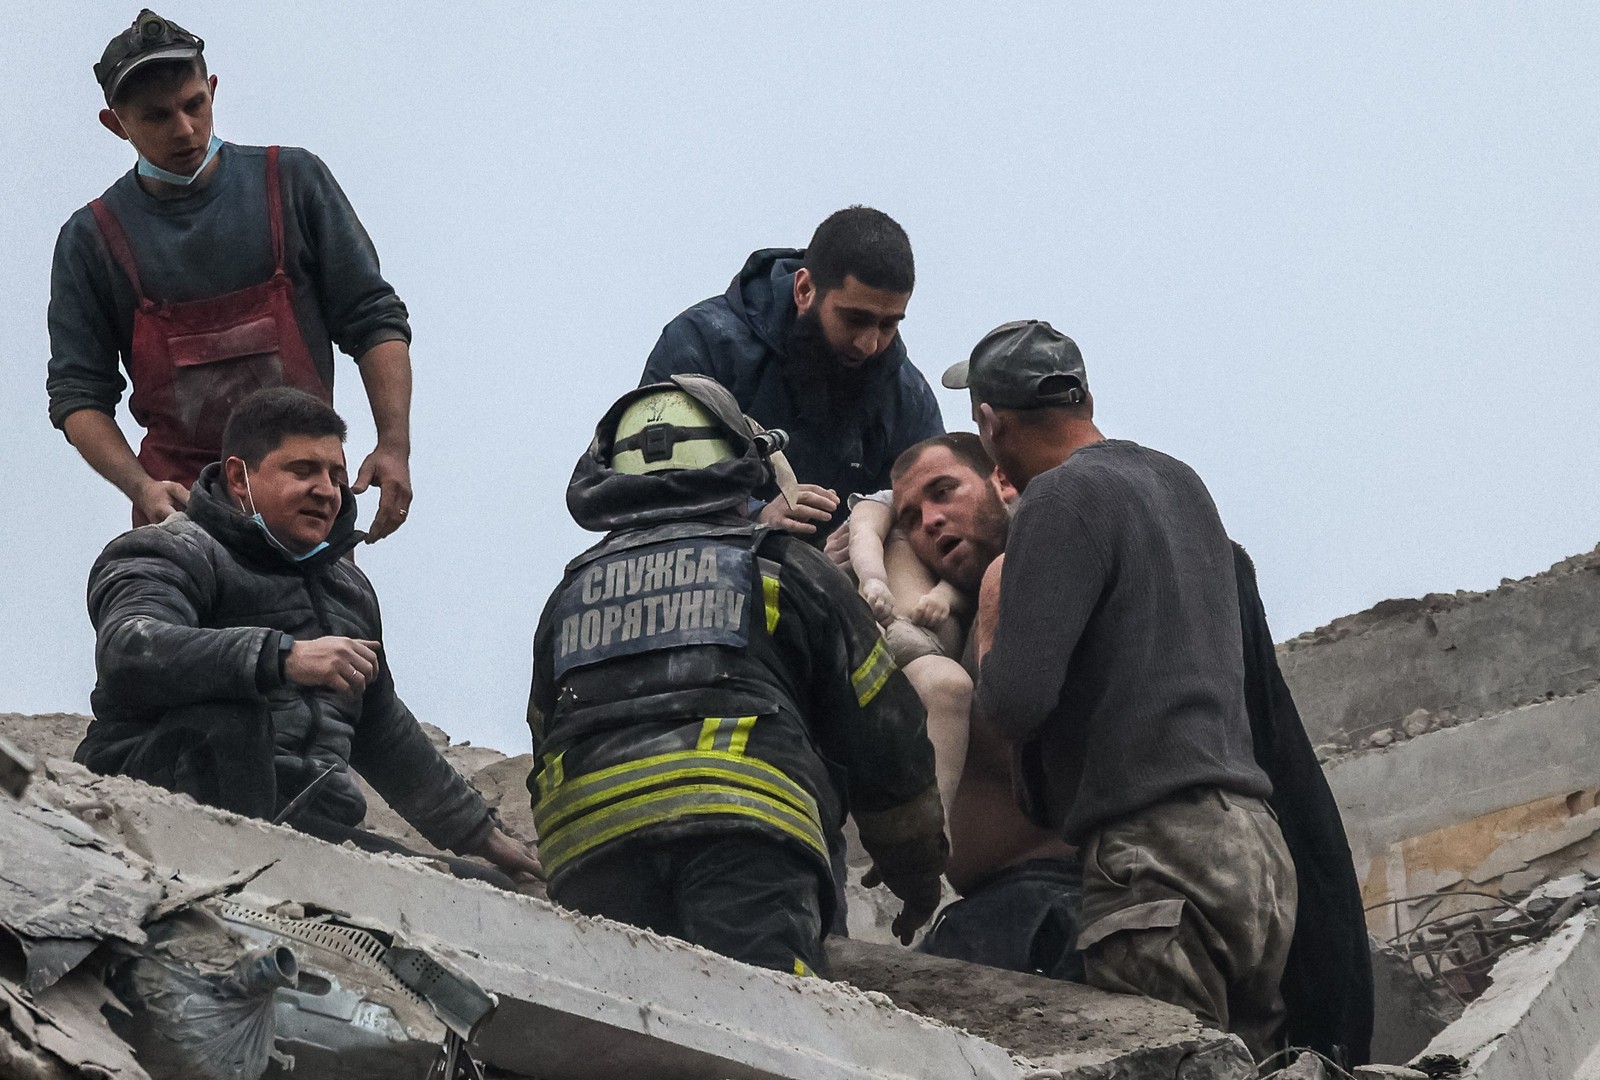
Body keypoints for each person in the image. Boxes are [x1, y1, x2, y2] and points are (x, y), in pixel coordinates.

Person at [950, 319, 1296, 1059]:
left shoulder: (1057, 500)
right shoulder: (1180, 482)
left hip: (1155, 857)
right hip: (1257, 851)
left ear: (990, 422)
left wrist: (988, 621)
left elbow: (1016, 702)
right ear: (1085, 397)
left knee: (1166, 1068)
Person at [526, 375, 948, 975]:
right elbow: (883, 727)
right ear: (738, 466)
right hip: (743, 836)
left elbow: (545, 734)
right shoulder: (782, 566)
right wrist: (916, 872)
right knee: (761, 1023)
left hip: (590, 847)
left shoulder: (567, 596)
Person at [75, 388, 541, 888]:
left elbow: (380, 729)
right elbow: (130, 647)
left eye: (336, 477)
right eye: (302, 471)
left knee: (488, 890)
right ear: (239, 478)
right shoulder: (170, 550)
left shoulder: (351, 590)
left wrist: (486, 838)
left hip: (307, 824)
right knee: (231, 719)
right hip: (163, 805)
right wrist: (282, 657)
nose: (326, 491)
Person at [48, 10, 414, 540]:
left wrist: (393, 444)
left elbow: (373, 318)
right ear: (116, 124)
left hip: (304, 505)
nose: (185, 129)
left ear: (213, 90)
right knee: (164, 626)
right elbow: (78, 393)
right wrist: (140, 487)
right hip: (180, 515)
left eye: (194, 105)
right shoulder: (92, 239)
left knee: (328, 628)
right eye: (156, 117)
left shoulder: (292, 182)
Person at [881, 434, 1087, 982]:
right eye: (912, 516)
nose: (930, 519)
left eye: (945, 492)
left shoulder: (1050, 577)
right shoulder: (956, 626)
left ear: (1002, 482)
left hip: (1065, 902)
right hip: (996, 910)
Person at [639, 207, 943, 540]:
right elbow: (650, 480)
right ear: (804, 290)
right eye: (854, 319)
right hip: (700, 570)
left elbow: (932, 512)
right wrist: (754, 519)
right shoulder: (704, 343)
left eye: (888, 325)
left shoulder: (907, 398)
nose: (869, 344)